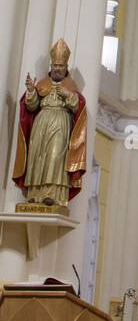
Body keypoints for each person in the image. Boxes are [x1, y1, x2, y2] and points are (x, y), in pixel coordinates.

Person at [14, 39, 87, 209]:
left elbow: (78, 107)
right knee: (38, 156)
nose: (57, 69)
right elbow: (31, 107)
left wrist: (68, 95)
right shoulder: (42, 84)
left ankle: (52, 195)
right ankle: (34, 194)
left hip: (61, 123)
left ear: (65, 67)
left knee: (56, 157)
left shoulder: (70, 86)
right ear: (51, 66)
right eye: (55, 65)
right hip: (41, 124)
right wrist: (31, 91)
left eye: (61, 66)